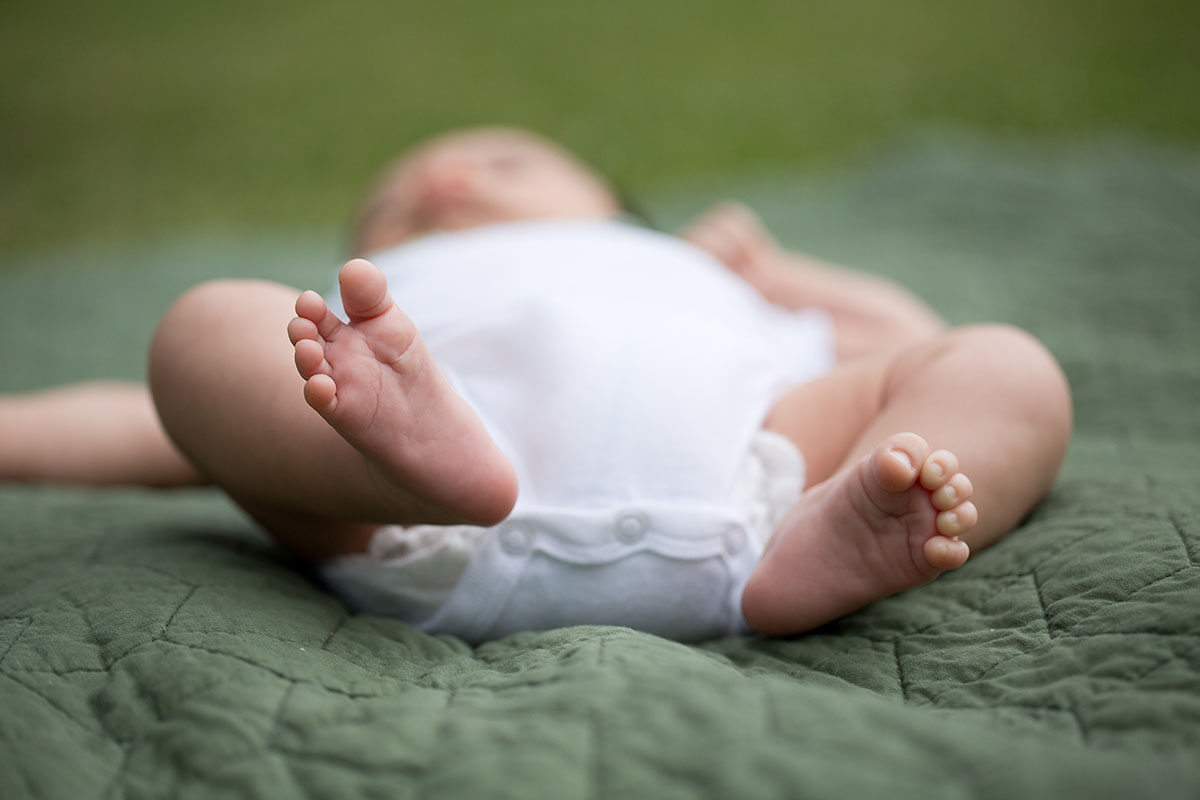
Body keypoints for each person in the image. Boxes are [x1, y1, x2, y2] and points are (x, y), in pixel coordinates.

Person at [0, 127, 1072, 641]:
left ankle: (823, 537)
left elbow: (910, 340)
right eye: (395, 206)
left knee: (1001, 363)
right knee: (199, 332)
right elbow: (168, 423)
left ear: (613, 205)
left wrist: (773, 272)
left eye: (504, 162)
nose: (444, 178)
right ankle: (409, 465)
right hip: (396, 505)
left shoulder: (697, 276)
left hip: (759, 469)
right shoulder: (367, 319)